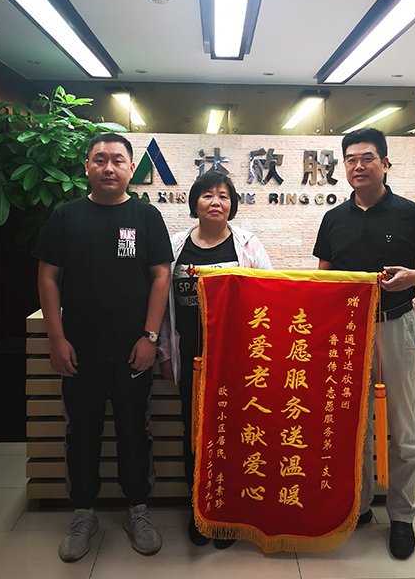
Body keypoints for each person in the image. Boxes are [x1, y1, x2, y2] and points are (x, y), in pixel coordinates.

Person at [33, 133, 172, 562]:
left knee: (134, 431)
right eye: (100, 159)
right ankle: (83, 513)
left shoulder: (146, 216)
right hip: (79, 350)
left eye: (117, 160)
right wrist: (56, 338)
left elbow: (161, 276)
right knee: (82, 433)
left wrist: (150, 337)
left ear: (131, 168)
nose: (108, 167)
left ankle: (138, 510)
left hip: (133, 349)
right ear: (87, 167)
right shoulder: (65, 216)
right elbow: (48, 276)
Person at [313, 128, 415, 560]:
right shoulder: (334, 219)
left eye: (367, 157)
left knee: (403, 426)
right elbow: (324, 277)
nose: (358, 166)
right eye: (350, 159)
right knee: (354, 423)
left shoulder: (410, 214)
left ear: (385, 164)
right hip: (349, 333)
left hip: (396, 325)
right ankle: (362, 504)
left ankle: (403, 515)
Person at [158, 170, 272, 548]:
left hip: (237, 362)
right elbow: (162, 305)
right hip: (191, 359)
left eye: (223, 195)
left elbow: (271, 293)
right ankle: (199, 509)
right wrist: (163, 351)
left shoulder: (248, 245)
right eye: (207, 195)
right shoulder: (175, 247)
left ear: (232, 204)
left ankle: (227, 512)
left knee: (234, 433)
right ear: (195, 202)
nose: (215, 202)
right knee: (194, 432)